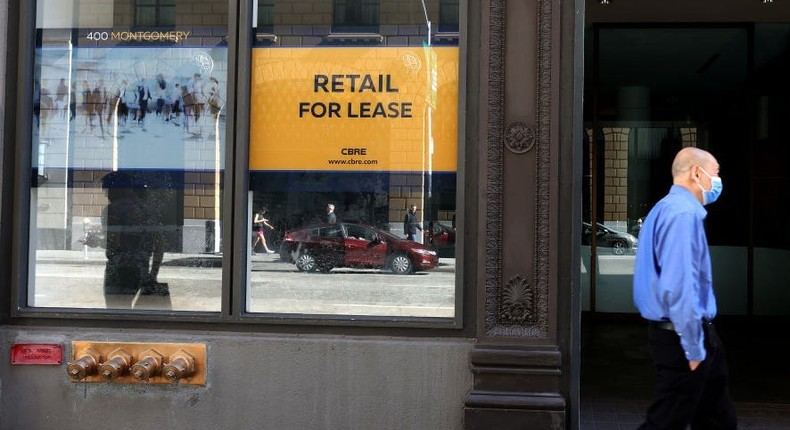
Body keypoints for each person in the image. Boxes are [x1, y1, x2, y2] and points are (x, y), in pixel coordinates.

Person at [633, 147, 735, 429]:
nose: (718, 181)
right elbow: (679, 286)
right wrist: (693, 350)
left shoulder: (664, 209)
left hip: (687, 334)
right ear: (696, 173)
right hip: (684, 337)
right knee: (667, 421)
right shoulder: (682, 214)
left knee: (717, 418)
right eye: (715, 173)